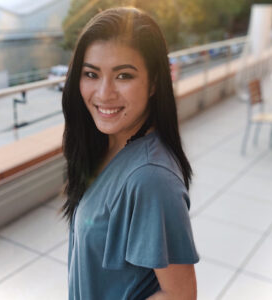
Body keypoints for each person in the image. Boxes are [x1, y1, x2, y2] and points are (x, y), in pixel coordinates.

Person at [61, 6, 199, 300]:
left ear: (154, 84)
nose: (103, 93)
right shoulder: (108, 143)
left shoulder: (150, 178)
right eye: (91, 74)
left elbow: (180, 295)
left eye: (123, 76)